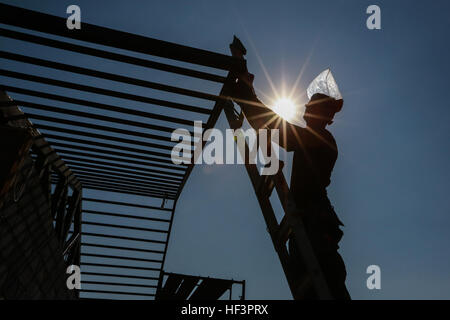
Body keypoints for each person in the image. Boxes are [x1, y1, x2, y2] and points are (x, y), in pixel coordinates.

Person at [231, 68, 351, 300]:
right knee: (312, 282)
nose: (306, 109)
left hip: (314, 222)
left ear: (321, 114)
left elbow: (279, 130)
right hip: (310, 221)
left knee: (322, 282)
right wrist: (249, 95)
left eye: (312, 107)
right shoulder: (315, 139)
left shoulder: (321, 139)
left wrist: (247, 96)